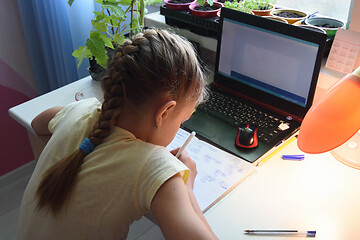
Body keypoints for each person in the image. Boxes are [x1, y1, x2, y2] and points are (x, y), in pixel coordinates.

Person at [16, 28, 218, 240]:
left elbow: (38, 123)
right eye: (181, 121)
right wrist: (186, 189)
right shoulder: (151, 165)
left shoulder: (80, 111)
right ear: (164, 112)